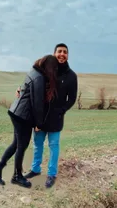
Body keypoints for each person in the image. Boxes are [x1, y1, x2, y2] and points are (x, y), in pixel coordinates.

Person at [0, 55, 58, 188]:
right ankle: (17, 176)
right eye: (54, 68)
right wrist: (39, 123)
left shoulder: (34, 72)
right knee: (21, 146)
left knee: (16, 144)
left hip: (16, 112)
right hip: (23, 117)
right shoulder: (40, 78)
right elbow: (37, 104)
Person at [24, 43, 78, 188]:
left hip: (56, 118)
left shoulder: (71, 76)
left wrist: (61, 110)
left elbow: (72, 98)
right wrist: (21, 90)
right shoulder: (45, 71)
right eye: (59, 51)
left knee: (54, 146)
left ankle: (51, 174)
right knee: (37, 145)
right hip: (40, 116)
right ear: (54, 54)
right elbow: (32, 85)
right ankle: (35, 170)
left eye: (65, 52)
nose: (62, 54)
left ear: (67, 55)